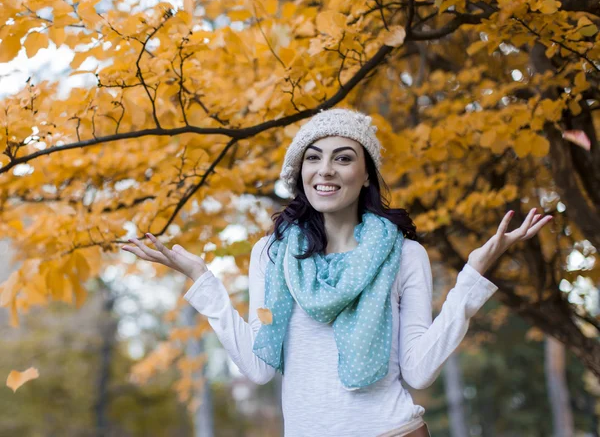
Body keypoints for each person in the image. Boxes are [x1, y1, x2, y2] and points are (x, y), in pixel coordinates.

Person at [122, 108, 552, 437]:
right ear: (301, 172)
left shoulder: (404, 256)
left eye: (343, 158)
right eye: (313, 158)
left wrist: (471, 279)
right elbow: (258, 365)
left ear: (365, 174)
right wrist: (204, 282)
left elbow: (419, 371)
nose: (325, 169)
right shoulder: (272, 257)